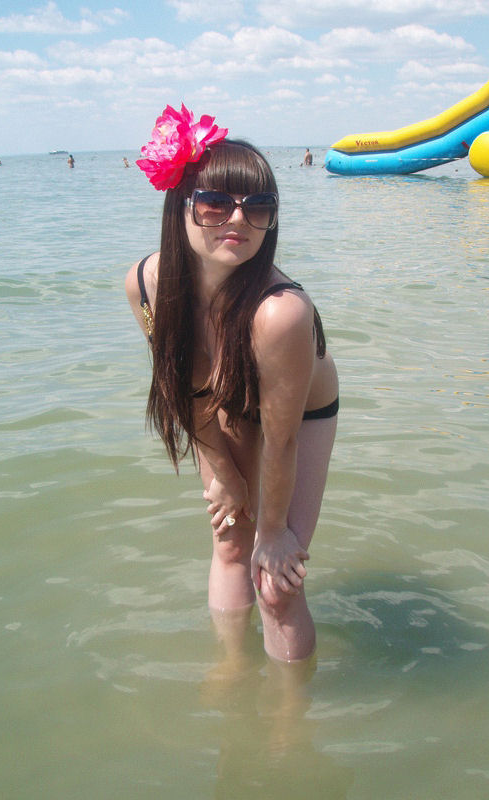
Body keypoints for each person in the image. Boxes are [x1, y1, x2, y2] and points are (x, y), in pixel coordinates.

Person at [125, 103, 339, 664]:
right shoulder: (146, 285)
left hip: (294, 414)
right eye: (215, 203)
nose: (238, 220)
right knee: (228, 542)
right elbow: (185, 383)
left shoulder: (281, 313)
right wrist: (221, 470)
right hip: (216, 393)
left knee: (276, 582)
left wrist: (275, 531)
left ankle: (289, 710)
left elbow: (281, 438)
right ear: (181, 206)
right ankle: (230, 672)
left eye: (258, 206)